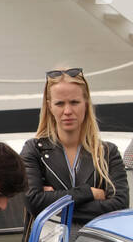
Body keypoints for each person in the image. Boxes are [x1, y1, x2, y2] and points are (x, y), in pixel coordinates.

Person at [21, 68, 129, 229]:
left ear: (86, 103)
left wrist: (52, 202)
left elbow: (119, 206)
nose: (67, 111)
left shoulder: (107, 152)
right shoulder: (34, 150)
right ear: (49, 106)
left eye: (74, 102)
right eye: (60, 103)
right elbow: (34, 202)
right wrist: (89, 193)